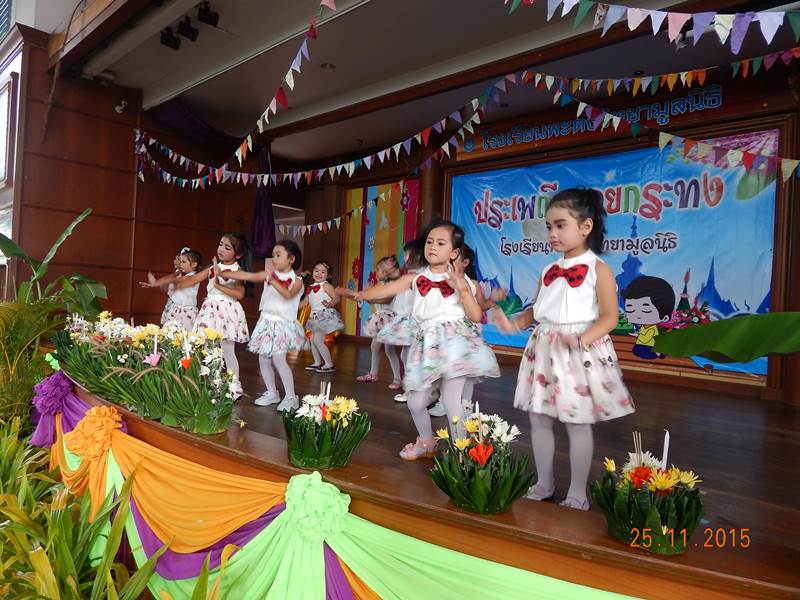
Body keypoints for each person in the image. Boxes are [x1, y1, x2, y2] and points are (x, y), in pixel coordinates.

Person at [495, 188, 634, 511]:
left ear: (585, 227)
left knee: (577, 421)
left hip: (577, 353)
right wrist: (512, 323)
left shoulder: (598, 269)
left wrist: (581, 339)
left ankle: (577, 493)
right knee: (539, 418)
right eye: (549, 226)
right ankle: (544, 483)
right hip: (545, 348)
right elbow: (537, 309)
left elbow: (610, 317)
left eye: (560, 225)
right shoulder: (548, 270)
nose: (552, 233)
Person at [357, 219, 500, 460]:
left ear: (454, 253)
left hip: (454, 343)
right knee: (415, 402)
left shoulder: (464, 282)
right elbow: (386, 290)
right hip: (426, 345)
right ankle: (427, 442)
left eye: (441, 243)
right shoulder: (415, 278)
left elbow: (476, 315)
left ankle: (462, 453)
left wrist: (463, 291)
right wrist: (360, 294)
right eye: (430, 242)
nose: (433, 246)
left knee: (452, 401)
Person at [220, 240, 306, 411]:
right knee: (263, 359)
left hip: (283, 324)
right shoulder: (269, 275)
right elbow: (249, 276)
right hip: (266, 322)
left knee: (279, 360)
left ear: (291, 259)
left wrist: (272, 280)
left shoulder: (297, 281)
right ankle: (272, 392)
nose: (274, 259)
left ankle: (291, 397)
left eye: (278, 255)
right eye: (273, 255)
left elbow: (288, 295)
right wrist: (224, 273)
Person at [175, 233, 251, 381]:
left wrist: (218, 286)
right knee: (209, 348)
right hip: (210, 311)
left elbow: (239, 294)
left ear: (238, 254)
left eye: (227, 247)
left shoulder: (239, 271)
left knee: (227, 350)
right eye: (221, 244)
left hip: (227, 312)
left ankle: (234, 384)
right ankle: (212, 382)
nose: (221, 249)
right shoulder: (212, 268)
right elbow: (194, 279)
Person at [340, 256, 404, 389]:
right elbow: (364, 297)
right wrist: (347, 294)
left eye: (379, 270)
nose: (377, 272)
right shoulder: (379, 286)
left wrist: (369, 298)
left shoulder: (392, 286)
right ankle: (373, 374)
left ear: (387, 272)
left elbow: (386, 300)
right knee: (374, 347)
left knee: (389, 350)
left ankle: (398, 379)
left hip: (389, 320)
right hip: (380, 321)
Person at [140, 247, 202, 331]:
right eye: (180, 261)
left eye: (183, 262)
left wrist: (156, 282)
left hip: (186, 312)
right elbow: (170, 281)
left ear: (194, 264)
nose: (181, 264)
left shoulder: (193, 277)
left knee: (184, 334)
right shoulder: (182, 274)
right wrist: (155, 284)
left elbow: (174, 280)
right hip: (175, 309)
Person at [300, 260, 343, 373]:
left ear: (328, 276)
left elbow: (337, 297)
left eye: (323, 272)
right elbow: (305, 302)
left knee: (318, 340)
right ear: (313, 271)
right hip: (315, 316)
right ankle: (317, 362)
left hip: (324, 315)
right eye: (316, 270)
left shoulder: (326, 286)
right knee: (313, 340)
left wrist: (330, 303)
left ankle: (329, 364)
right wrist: (293, 307)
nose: (319, 273)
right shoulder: (311, 287)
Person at [622, 275, 676, 359]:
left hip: (648, 346)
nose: (637, 315)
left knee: (644, 352)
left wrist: (637, 335)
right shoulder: (643, 327)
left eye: (646, 310)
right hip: (641, 344)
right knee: (636, 350)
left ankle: (658, 353)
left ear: (665, 317)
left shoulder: (652, 329)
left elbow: (646, 339)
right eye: (630, 310)